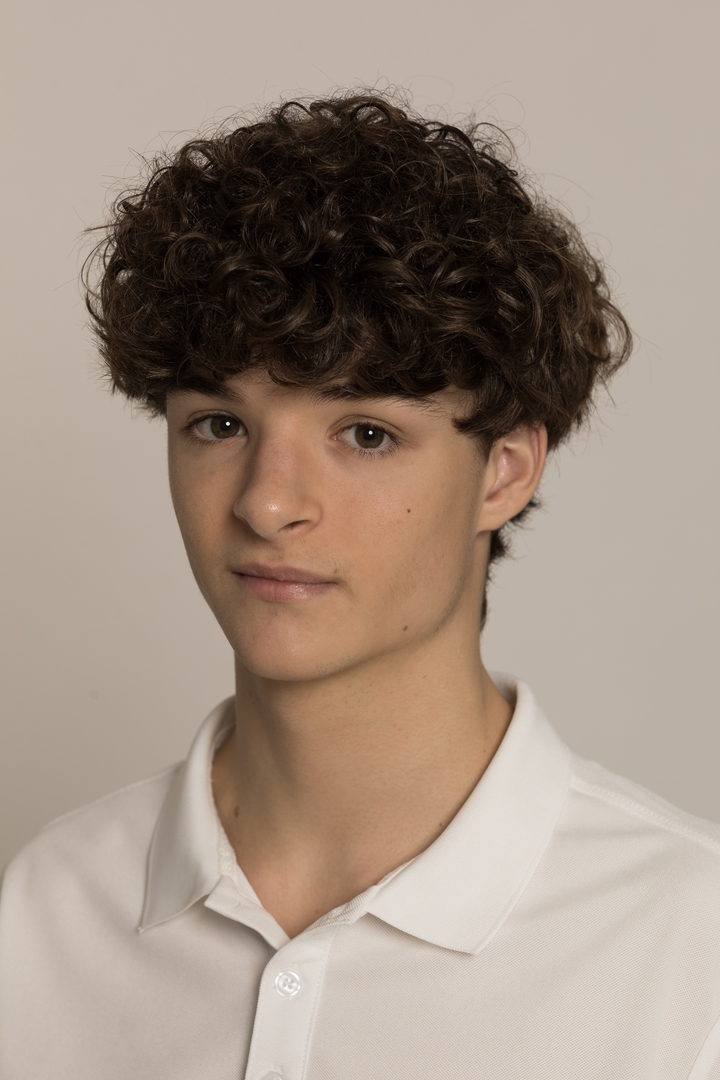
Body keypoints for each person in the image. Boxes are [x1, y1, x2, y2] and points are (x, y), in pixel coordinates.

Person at [1, 90, 718, 1080]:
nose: (267, 503)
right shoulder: (46, 912)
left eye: (367, 434)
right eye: (219, 424)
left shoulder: (688, 950)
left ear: (505, 472)